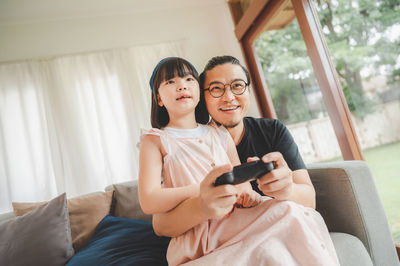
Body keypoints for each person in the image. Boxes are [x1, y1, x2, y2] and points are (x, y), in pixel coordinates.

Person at [140, 57, 339, 265]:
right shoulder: (155, 140)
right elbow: (153, 208)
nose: (181, 85)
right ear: (159, 99)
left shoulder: (220, 134)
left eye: (189, 79)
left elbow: (243, 184)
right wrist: (204, 191)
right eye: (170, 82)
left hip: (234, 219)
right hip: (201, 234)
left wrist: (250, 193)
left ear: (197, 92)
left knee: (292, 213)